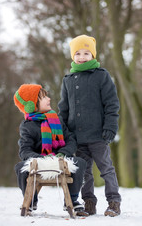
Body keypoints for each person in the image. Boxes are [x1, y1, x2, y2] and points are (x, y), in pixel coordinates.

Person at [58, 35, 121, 217]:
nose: (82, 57)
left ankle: (113, 202)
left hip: (98, 135)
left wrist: (110, 128)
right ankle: (89, 203)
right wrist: (63, 133)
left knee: (106, 169)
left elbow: (111, 104)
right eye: (78, 53)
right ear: (73, 56)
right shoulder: (68, 80)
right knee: (84, 172)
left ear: (93, 55)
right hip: (77, 137)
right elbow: (63, 109)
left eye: (86, 53)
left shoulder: (101, 76)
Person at [13, 84, 87, 216]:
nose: (48, 99)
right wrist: (39, 158)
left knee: (80, 162)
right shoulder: (27, 126)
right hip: (38, 161)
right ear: (32, 104)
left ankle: (73, 199)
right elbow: (24, 150)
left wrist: (63, 153)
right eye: (43, 97)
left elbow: (70, 139)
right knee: (20, 168)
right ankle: (31, 199)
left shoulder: (57, 120)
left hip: (60, 159)